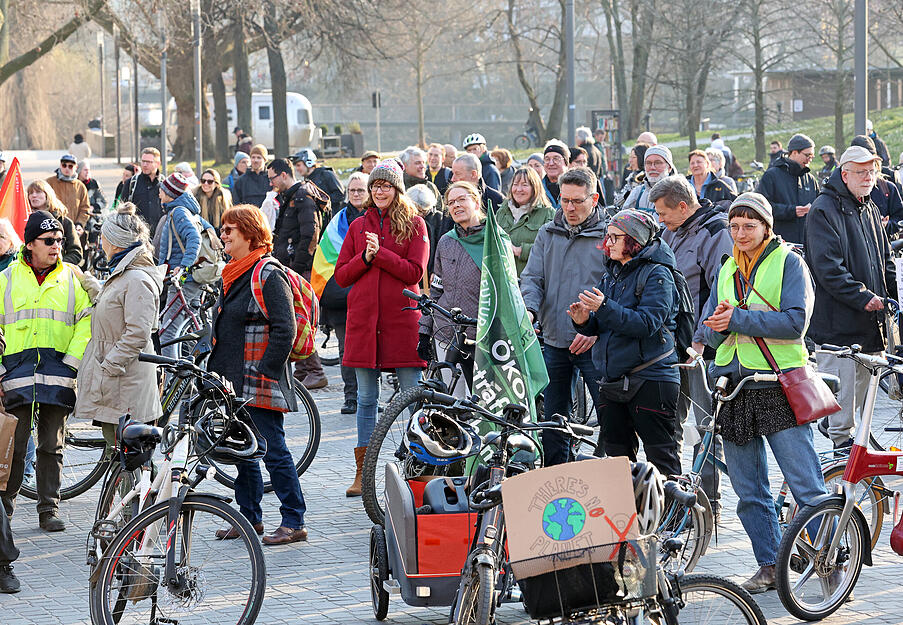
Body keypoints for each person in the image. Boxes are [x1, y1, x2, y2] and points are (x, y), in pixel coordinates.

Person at [699, 192, 826, 594]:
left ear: (766, 227)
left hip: (778, 383)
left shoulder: (790, 263)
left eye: (748, 226)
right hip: (736, 387)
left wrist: (735, 318)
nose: (740, 234)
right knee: (749, 492)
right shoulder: (725, 267)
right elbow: (712, 324)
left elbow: (795, 323)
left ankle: (830, 564)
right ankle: (769, 565)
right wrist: (713, 331)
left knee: (805, 485)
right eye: (734, 227)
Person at [209, 205, 309, 545]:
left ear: (250, 234)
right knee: (242, 450)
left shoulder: (267, 273)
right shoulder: (233, 272)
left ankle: (294, 520)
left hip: (258, 378)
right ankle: (250, 518)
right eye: (223, 229)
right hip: (231, 378)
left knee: (272, 449)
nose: (223, 235)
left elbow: (286, 328)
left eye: (229, 230)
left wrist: (266, 369)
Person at [334, 159, 428, 497]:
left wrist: (381, 254)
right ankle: (363, 473)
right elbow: (342, 275)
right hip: (363, 323)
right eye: (376, 185)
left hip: (402, 322)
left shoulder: (415, 224)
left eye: (386, 185)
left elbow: (414, 272)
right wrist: (365, 258)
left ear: (397, 189)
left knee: (411, 397)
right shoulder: (358, 226)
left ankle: (418, 468)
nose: (379, 190)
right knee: (366, 399)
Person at [568, 209, 681, 477]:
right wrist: (584, 321)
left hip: (651, 379)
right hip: (612, 380)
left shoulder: (657, 275)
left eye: (615, 237)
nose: (608, 243)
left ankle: (675, 517)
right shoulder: (611, 274)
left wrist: (603, 306)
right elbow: (604, 324)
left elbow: (646, 324)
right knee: (618, 462)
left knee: (661, 459)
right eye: (607, 236)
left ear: (634, 240)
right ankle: (628, 517)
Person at [0, 211, 93, 533]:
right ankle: (5, 513)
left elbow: (87, 320)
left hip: (58, 372)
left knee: (52, 446)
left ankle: (48, 509)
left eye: (60, 241)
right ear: (29, 245)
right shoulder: (8, 278)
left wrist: (72, 360)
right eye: (49, 241)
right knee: (14, 445)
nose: (56, 246)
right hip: (15, 374)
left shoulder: (71, 276)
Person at [650, 175, 733, 519]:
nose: (660, 220)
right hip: (674, 346)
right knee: (671, 424)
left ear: (683, 206)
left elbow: (721, 293)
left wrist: (700, 340)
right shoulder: (671, 231)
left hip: (704, 350)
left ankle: (706, 506)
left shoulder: (717, 234)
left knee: (707, 427)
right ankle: (676, 500)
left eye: (663, 213)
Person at [807, 146, 896, 452]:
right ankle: (841, 490)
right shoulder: (823, 209)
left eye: (872, 172)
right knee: (843, 417)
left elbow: (885, 259)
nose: (869, 178)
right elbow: (827, 268)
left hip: (870, 329)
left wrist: (890, 300)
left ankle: (856, 477)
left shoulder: (868, 207)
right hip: (838, 330)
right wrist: (863, 297)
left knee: (858, 408)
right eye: (861, 172)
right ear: (844, 174)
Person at [521, 167, 605, 465]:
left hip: (595, 343)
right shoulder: (548, 232)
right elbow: (532, 278)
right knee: (554, 420)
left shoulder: (609, 235)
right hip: (555, 338)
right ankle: (557, 476)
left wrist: (596, 330)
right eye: (564, 200)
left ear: (593, 199)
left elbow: (617, 289)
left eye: (577, 201)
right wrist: (529, 310)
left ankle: (607, 477)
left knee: (609, 417)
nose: (569, 207)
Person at [73, 203, 163, 449]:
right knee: (119, 454)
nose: (100, 242)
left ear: (113, 242)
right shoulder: (124, 273)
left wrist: (109, 365)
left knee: (131, 459)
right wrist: (90, 284)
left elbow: (137, 333)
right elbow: (112, 303)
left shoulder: (137, 278)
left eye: (103, 237)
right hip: (117, 382)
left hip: (125, 383)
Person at [418, 182, 486, 394]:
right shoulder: (446, 241)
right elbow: (436, 290)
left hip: (481, 336)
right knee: (453, 401)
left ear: (476, 201)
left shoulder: (494, 239)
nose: (456, 205)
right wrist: (424, 330)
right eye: (450, 202)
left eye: (461, 199)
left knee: (479, 403)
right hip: (446, 332)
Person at [268, 158, 329, 390]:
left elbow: (310, 232)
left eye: (272, 178)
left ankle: (315, 370)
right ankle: (305, 370)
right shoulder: (295, 195)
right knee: (296, 316)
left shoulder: (301, 196)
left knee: (300, 318)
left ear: (284, 175)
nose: (271, 183)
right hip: (292, 264)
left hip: (299, 267)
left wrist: (298, 264)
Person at [319, 173, 368, 415]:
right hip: (342, 296)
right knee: (346, 348)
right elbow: (326, 256)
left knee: (369, 348)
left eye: (361, 190)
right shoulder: (338, 221)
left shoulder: (375, 218)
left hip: (368, 295)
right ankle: (351, 397)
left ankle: (369, 396)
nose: (357, 194)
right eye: (353, 190)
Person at [156, 172, 206, 359]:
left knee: (169, 332)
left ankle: (170, 382)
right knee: (189, 328)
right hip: (192, 278)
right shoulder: (186, 209)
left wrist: (183, 267)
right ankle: (190, 377)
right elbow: (206, 227)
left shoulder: (178, 211)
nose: (159, 193)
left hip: (183, 279)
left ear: (170, 192)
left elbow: (194, 238)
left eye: (162, 189)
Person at [756, 133, 818, 244]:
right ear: (794, 152)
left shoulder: (811, 180)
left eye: (812, 156)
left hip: (808, 244)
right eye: (807, 155)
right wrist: (792, 211)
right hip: (779, 244)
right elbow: (761, 207)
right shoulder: (771, 176)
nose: (810, 159)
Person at [496, 167, 555, 277]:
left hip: (532, 281)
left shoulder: (548, 213)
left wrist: (520, 251)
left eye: (524, 185)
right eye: (516, 184)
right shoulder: (502, 211)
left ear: (535, 188)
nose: (519, 189)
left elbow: (552, 248)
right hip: (504, 280)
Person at [26, 180, 83, 265]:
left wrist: (57, 265)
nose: (34, 195)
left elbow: (76, 253)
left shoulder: (65, 222)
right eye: (31, 193)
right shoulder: (24, 220)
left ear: (48, 195)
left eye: (38, 192)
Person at [407, 183, 443, 287]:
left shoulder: (437, 218)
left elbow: (440, 247)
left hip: (432, 272)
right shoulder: (404, 220)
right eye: (417, 210)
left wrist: (436, 270)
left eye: (424, 211)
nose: (420, 215)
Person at [622, 145, 676, 213]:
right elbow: (622, 220)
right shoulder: (637, 192)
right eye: (648, 163)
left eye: (658, 163)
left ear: (669, 168)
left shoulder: (677, 192)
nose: (652, 167)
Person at [123, 148, 163, 236]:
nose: (144, 165)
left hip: (160, 236)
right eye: (143, 161)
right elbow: (123, 211)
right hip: (136, 237)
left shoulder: (165, 184)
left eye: (148, 162)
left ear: (158, 164)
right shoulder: (131, 184)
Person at [292, 148, 345, 212]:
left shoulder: (326, 174)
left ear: (309, 162)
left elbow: (340, 194)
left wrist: (322, 203)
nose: (297, 169)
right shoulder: (307, 180)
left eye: (298, 165)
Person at [46, 153, 90, 226]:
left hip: (74, 228)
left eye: (70, 166)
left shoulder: (80, 186)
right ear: (60, 165)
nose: (67, 168)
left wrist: (80, 224)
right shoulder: (49, 182)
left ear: (76, 167)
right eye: (64, 165)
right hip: (53, 227)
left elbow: (85, 209)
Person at [614, 143, 650, 207]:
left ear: (642, 158)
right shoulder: (632, 176)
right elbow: (617, 201)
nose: (630, 161)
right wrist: (627, 194)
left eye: (634, 157)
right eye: (630, 157)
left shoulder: (648, 178)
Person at [540, 140, 570, 208]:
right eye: (547, 159)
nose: (551, 163)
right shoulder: (537, 189)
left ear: (566, 163)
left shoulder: (576, 187)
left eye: (556, 159)